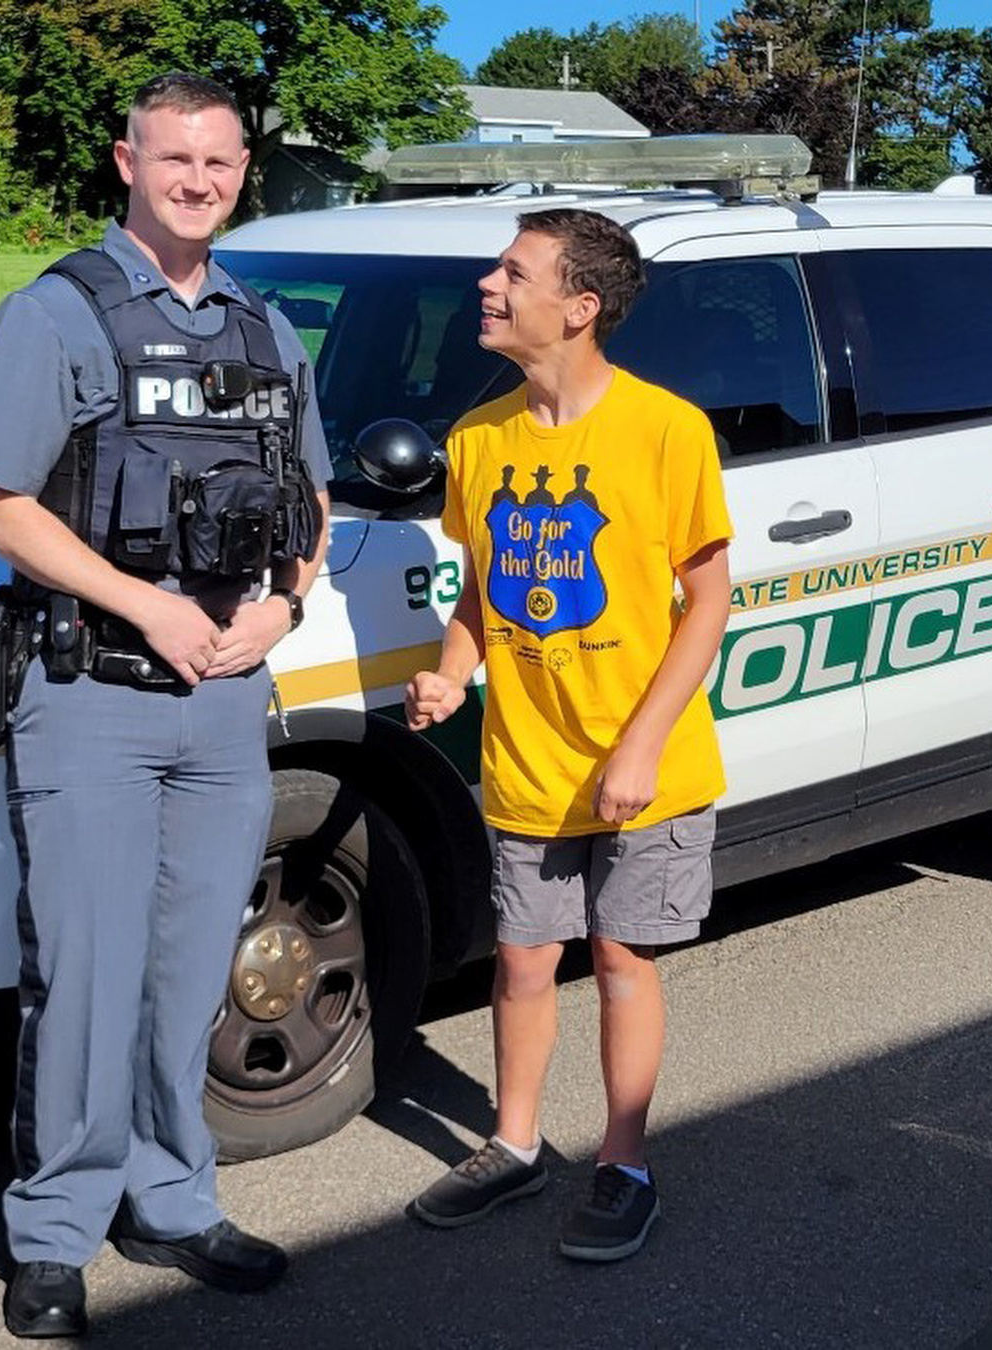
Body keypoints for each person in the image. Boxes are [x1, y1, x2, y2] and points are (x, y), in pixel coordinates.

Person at [0, 73, 332, 1339]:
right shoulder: (55, 316)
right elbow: (0, 506)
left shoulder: (265, 328)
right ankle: (54, 1232)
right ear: (126, 161)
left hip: (226, 705)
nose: (199, 181)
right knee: (89, 974)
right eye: (176, 159)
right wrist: (148, 604)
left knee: (185, 980)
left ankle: (172, 1202)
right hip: (94, 695)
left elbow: (310, 501)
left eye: (220, 164)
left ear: (242, 174)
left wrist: (287, 605)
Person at [404, 208, 732, 1261]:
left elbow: (709, 601)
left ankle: (623, 1163)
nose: (488, 287)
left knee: (623, 957)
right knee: (521, 960)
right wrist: (454, 676)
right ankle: (512, 1144)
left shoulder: (666, 429)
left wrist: (638, 746)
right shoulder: (478, 438)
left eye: (514, 272)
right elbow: (481, 595)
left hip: (645, 764)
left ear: (579, 307)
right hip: (529, 759)